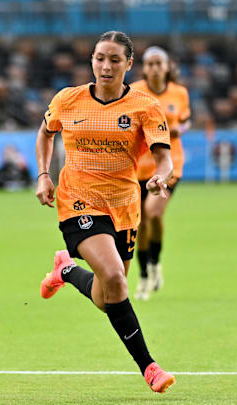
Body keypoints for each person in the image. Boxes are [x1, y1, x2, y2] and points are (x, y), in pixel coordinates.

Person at [36, 31, 176, 393]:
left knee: (107, 293)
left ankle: (65, 270)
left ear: (129, 64)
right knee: (114, 276)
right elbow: (45, 133)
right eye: (100, 58)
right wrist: (43, 175)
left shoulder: (145, 106)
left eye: (115, 59)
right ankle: (150, 367)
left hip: (124, 207)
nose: (106, 65)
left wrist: (161, 178)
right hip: (77, 201)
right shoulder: (68, 99)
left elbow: (164, 157)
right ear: (92, 61)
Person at [131, 46, 191, 300]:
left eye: (159, 63)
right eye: (150, 64)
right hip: (139, 166)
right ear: (144, 68)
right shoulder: (134, 92)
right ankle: (145, 274)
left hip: (169, 164)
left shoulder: (179, 93)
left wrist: (180, 130)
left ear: (167, 67)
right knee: (140, 223)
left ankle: (155, 263)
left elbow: (186, 120)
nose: (155, 68)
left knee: (153, 212)